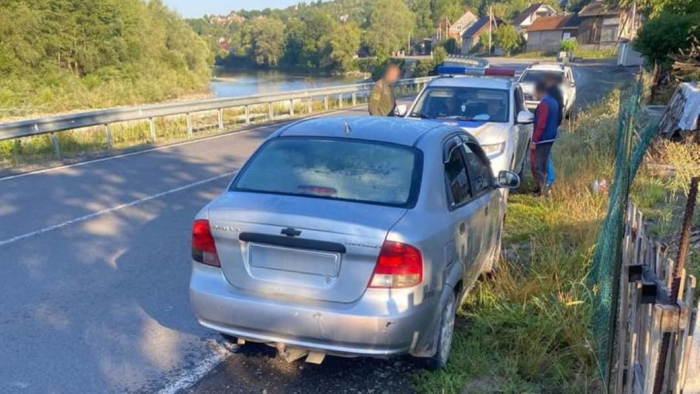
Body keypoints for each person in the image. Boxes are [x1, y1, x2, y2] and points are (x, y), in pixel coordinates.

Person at [530, 80, 559, 196]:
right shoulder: (554, 102)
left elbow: (541, 124)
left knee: (539, 166)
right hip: (550, 137)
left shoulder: (544, 104)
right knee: (546, 163)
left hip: (542, 139)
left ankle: (542, 191)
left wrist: (534, 140)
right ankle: (547, 187)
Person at [543, 73, 564, 190]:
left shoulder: (552, 96)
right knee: (547, 154)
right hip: (552, 128)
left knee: (546, 154)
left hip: (549, 129)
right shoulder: (556, 94)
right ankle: (549, 179)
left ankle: (550, 180)